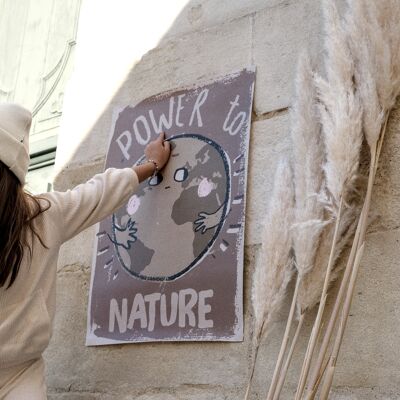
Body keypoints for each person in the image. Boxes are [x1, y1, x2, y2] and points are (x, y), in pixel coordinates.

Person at [0, 103, 171, 399]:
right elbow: (100, 192)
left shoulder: (43, 217)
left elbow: (100, 192)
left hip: (21, 372)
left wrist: (150, 165)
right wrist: (151, 164)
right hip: (22, 373)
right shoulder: (47, 214)